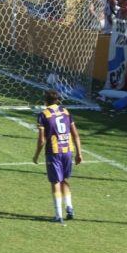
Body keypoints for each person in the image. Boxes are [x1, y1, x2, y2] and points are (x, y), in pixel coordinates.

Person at [32, 89, 83, 224]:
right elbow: (76, 135)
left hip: (54, 152)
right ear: (58, 100)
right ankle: (70, 208)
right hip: (68, 150)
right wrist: (79, 153)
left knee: (55, 182)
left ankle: (58, 215)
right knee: (64, 180)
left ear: (45, 101)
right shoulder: (65, 111)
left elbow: (42, 140)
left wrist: (36, 156)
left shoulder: (43, 115)